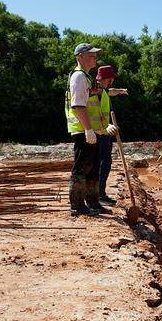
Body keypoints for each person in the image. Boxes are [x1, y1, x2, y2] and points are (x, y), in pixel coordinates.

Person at [64, 43, 116, 216]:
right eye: (91, 55)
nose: (95, 57)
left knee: (93, 169)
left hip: (93, 131)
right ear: (80, 56)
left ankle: (93, 203)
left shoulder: (87, 77)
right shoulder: (78, 77)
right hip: (83, 130)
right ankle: (77, 206)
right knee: (82, 168)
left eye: (95, 55)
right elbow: (78, 105)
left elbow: (96, 100)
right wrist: (87, 129)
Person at [95, 65, 128, 205]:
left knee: (105, 163)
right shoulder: (96, 91)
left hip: (104, 132)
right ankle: (99, 195)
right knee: (103, 164)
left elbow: (111, 92)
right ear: (108, 78)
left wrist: (120, 91)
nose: (112, 81)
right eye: (111, 78)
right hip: (100, 132)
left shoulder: (103, 90)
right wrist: (107, 125)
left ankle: (100, 193)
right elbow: (95, 110)